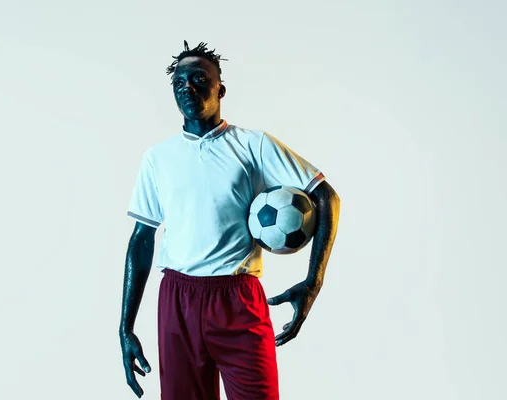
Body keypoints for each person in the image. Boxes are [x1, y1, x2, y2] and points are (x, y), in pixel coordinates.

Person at [119, 40, 341, 400]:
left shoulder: (253, 145)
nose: (187, 88)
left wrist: (313, 281)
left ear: (220, 88)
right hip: (178, 298)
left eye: (198, 79)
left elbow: (325, 195)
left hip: (238, 298)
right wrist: (125, 327)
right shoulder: (158, 158)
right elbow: (141, 239)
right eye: (179, 83)